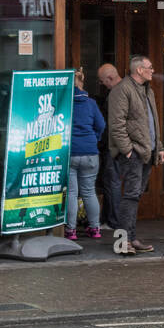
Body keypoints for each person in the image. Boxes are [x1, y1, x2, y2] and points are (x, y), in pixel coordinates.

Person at [108, 54, 164, 254]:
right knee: (131, 196)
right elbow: (117, 125)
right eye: (149, 67)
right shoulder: (122, 90)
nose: (152, 70)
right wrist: (127, 151)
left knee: (135, 196)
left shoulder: (147, 91)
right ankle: (122, 243)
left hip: (146, 152)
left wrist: (159, 148)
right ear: (139, 70)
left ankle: (131, 239)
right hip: (133, 153)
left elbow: (151, 124)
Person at [66, 69, 106, 240]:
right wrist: (94, 139)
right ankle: (95, 228)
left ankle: (70, 230)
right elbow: (101, 124)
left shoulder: (65, 103)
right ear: (82, 83)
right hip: (90, 152)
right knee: (89, 192)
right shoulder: (91, 103)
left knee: (72, 194)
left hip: (70, 152)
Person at [94, 63, 122, 227]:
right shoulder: (124, 90)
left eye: (102, 81)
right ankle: (107, 219)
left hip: (114, 146)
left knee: (112, 182)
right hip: (114, 145)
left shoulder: (116, 94)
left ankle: (113, 221)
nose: (102, 84)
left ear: (110, 78)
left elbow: (113, 124)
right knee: (109, 181)